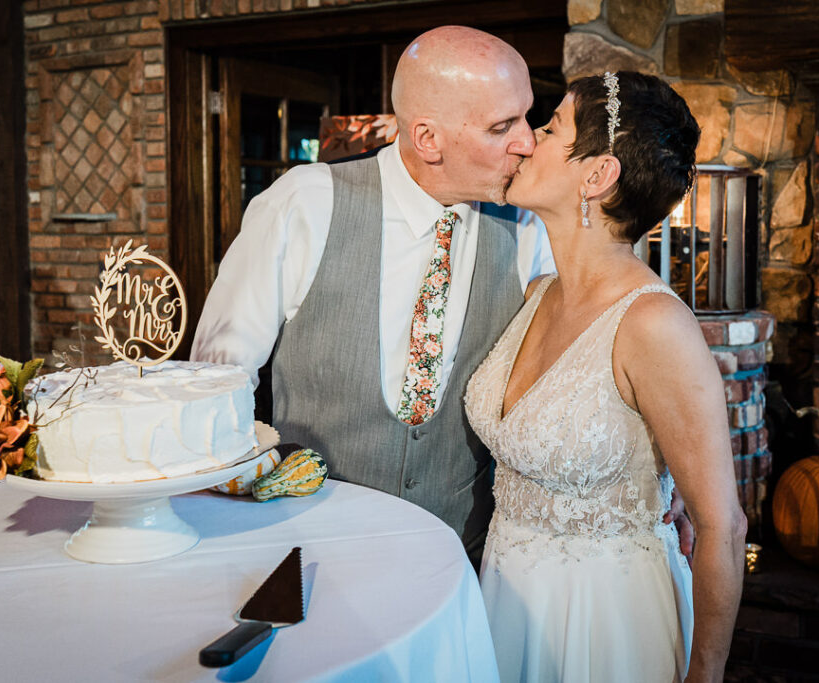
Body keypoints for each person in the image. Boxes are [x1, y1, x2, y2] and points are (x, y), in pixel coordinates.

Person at [193, 26, 691, 564]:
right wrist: (226, 516)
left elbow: (603, 336)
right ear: (428, 139)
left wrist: (670, 457)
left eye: (529, 117)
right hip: (311, 551)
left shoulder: (530, 225)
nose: (526, 142)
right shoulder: (305, 205)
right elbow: (216, 382)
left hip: (466, 563)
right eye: (503, 126)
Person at [465, 72, 746, 682]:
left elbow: (722, 525)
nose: (524, 141)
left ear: (597, 175)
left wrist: (705, 675)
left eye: (548, 128)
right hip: (503, 602)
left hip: (603, 622)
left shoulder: (653, 325)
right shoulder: (538, 293)